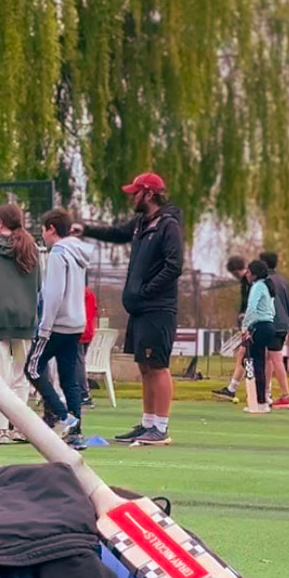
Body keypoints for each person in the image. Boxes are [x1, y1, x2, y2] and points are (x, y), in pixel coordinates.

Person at [75, 171, 184, 446]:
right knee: (144, 365)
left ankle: (161, 427)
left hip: (157, 308)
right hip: (139, 309)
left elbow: (174, 266)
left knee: (158, 366)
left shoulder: (168, 226)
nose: (131, 197)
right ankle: (147, 423)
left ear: (148, 194)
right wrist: (85, 229)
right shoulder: (140, 224)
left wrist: (147, 291)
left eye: (135, 193)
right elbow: (115, 233)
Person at [0, 203, 41, 446]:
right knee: (19, 374)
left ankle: (0, 428)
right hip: (22, 323)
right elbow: (38, 284)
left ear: (1, 222)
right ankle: (19, 427)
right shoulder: (31, 247)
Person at [26, 208, 91, 443]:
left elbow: (53, 293)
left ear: (51, 229)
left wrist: (45, 326)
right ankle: (75, 431)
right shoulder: (78, 254)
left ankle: (63, 415)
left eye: (43, 230)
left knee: (32, 368)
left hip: (57, 325)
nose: (42, 235)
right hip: (75, 324)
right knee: (69, 379)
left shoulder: (58, 254)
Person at [260, 250, 289, 410]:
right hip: (283, 323)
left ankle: (286, 395)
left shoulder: (263, 282)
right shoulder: (283, 281)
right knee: (269, 357)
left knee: (275, 358)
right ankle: (266, 393)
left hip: (271, 323)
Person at [212, 255, 252, 401]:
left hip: (253, 323)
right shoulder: (245, 282)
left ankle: (263, 392)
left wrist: (245, 320)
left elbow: (249, 302)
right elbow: (244, 303)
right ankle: (231, 388)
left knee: (248, 355)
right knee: (242, 354)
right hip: (248, 321)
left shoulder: (250, 281)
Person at [243, 259, 275, 413]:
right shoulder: (267, 287)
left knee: (256, 364)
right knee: (260, 363)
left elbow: (251, 308)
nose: (246, 275)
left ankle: (259, 402)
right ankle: (262, 400)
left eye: (248, 272)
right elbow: (272, 310)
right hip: (269, 325)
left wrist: (245, 327)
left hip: (260, 326)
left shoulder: (257, 286)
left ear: (254, 274)